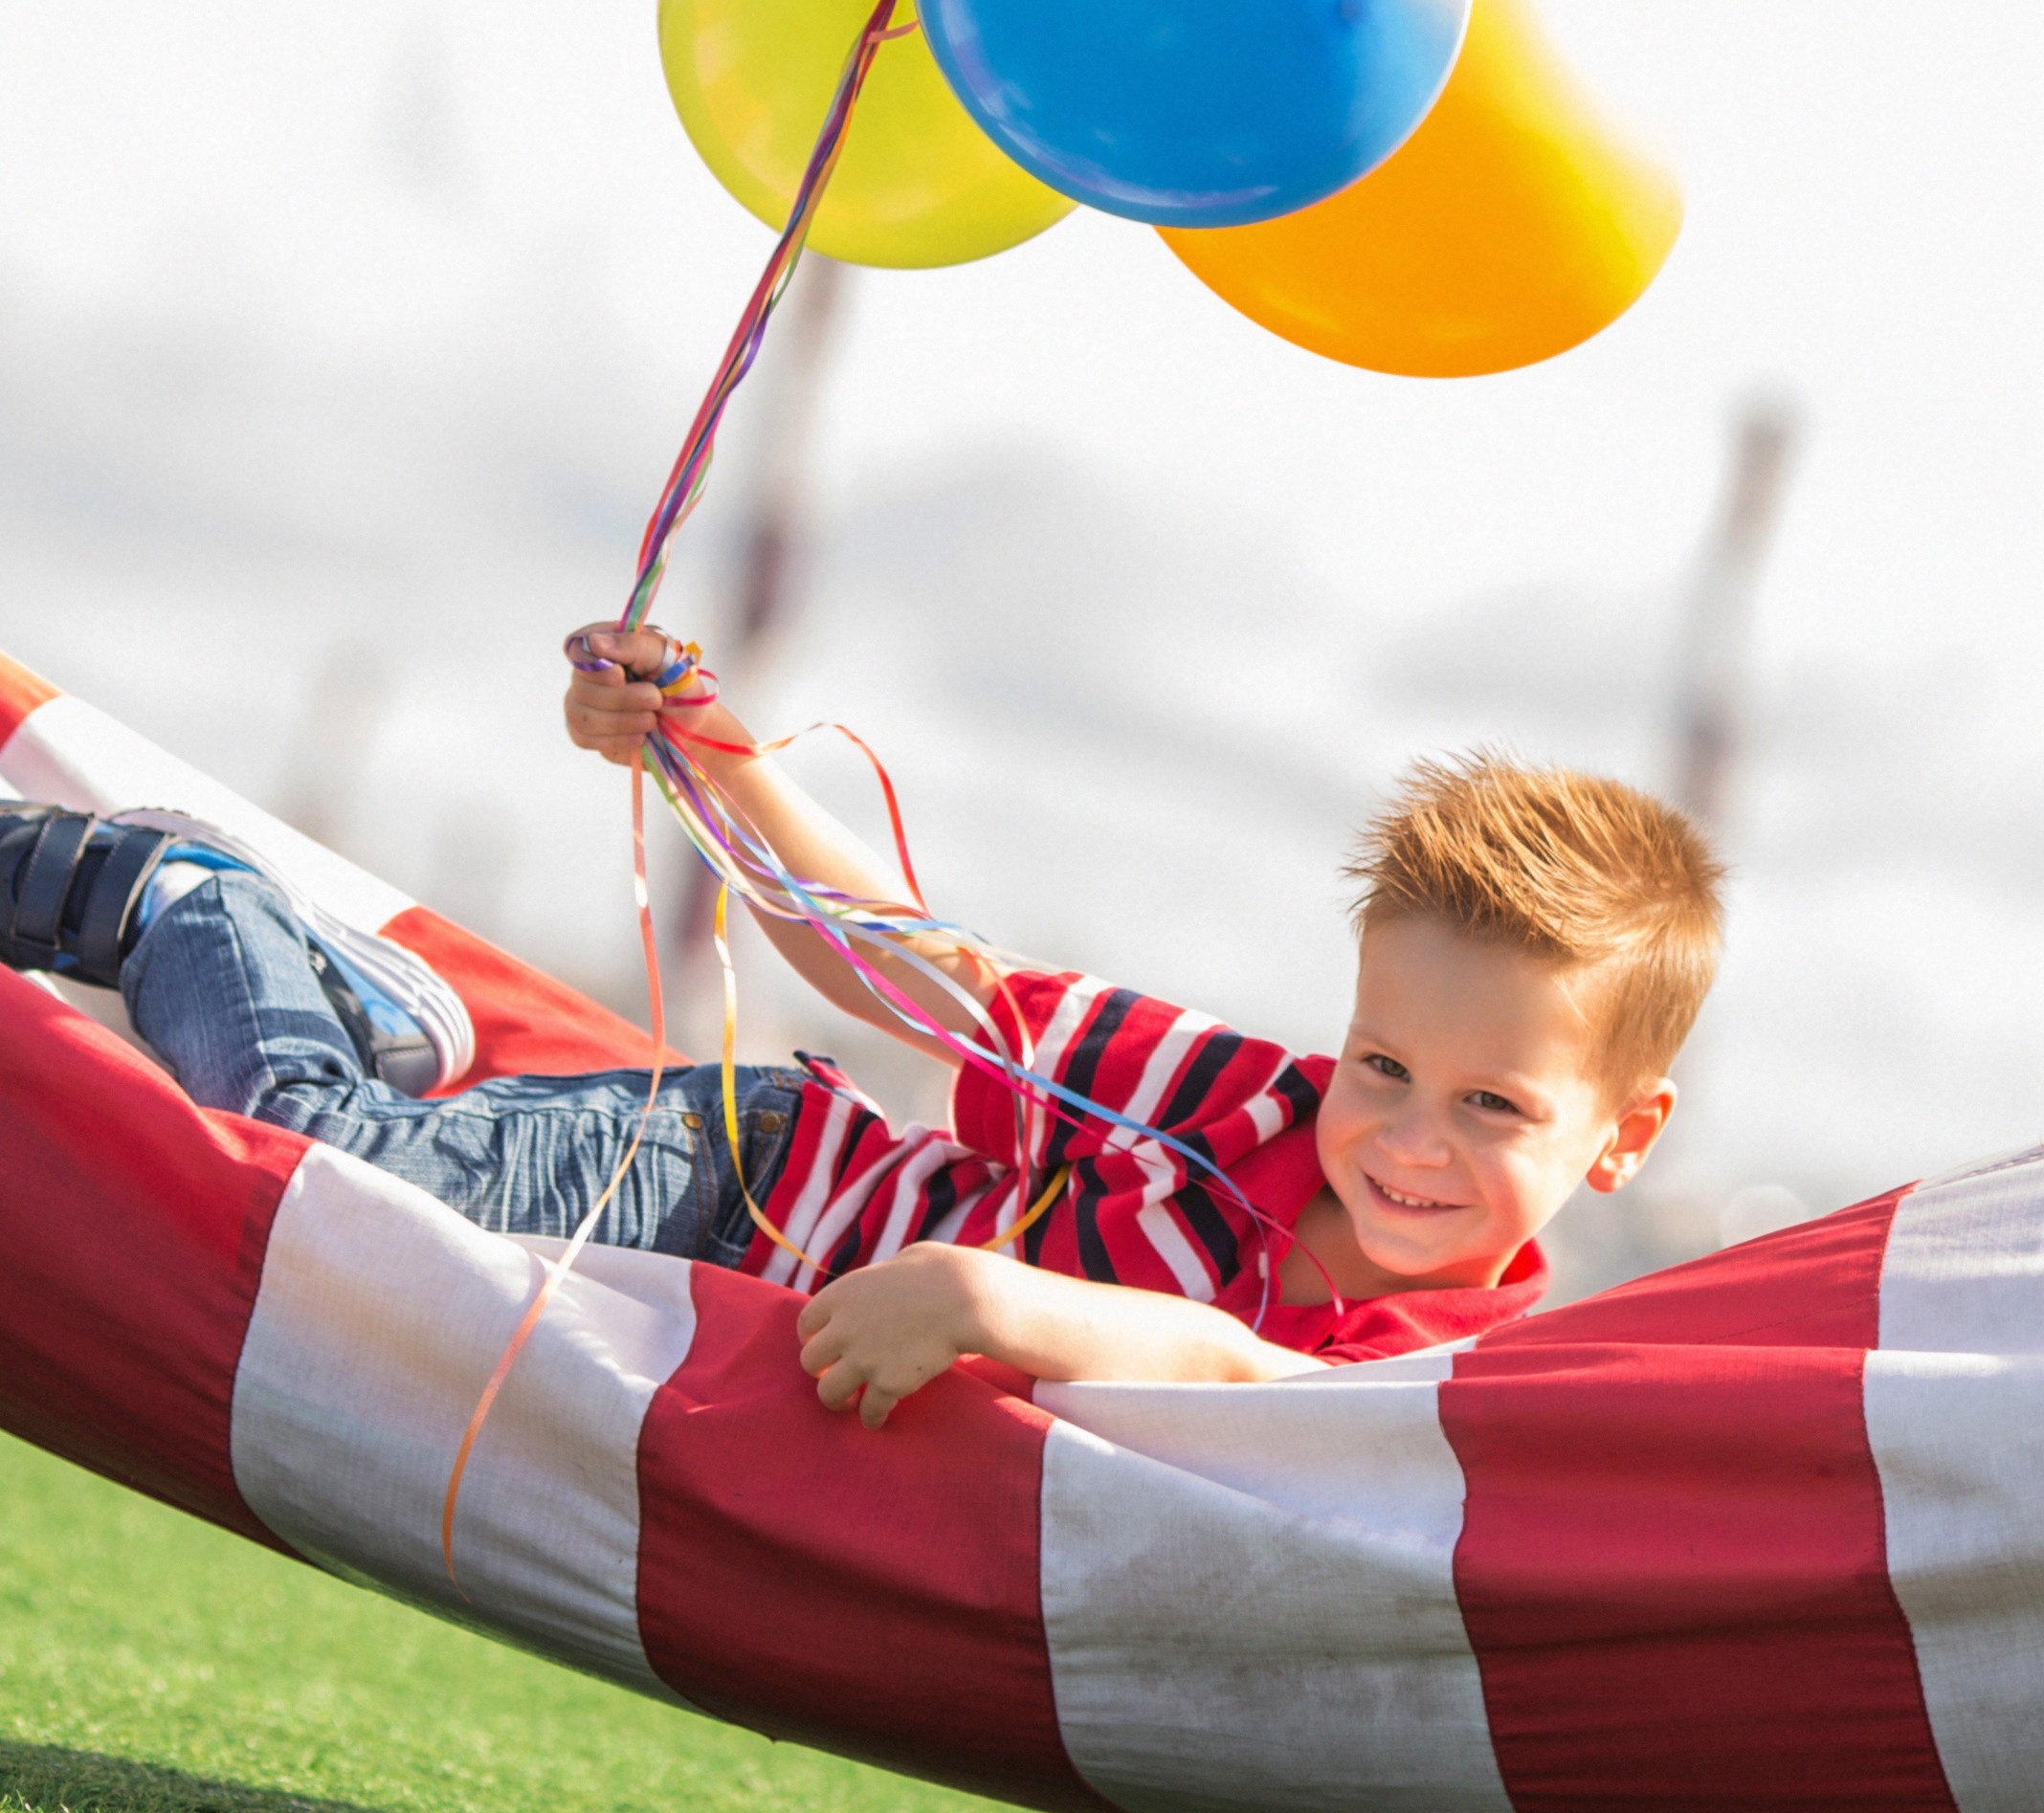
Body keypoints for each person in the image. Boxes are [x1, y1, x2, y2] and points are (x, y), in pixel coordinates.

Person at [0, 623, 1722, 1426]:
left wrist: (992, 1304)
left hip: (765, 1294)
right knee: (309, 1183)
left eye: (1496, 1107)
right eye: (1385, 1065)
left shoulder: (1459, 1368)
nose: (1408, 1141)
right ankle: (185, 903)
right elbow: (909, 971)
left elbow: (1242, 1373)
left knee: (337, 1185)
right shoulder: (1233, 1103)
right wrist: (707, 749)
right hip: (734, 1177)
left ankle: (357, 1003)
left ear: (1624, 1136)